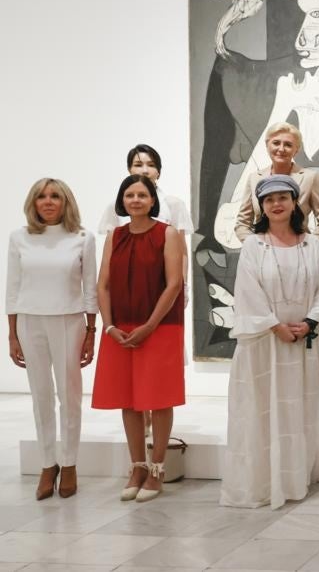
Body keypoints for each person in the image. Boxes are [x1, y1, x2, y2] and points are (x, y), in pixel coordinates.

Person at [221, 175, 319, 509]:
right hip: (264, 343)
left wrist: (309, 323)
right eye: (269, 200)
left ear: (295, 202)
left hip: (302, 341)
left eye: (283, 197)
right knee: (261, 410)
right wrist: (275, 326)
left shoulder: (311, 244)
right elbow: (247, 291)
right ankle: (262, 481)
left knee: (297, 409)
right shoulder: (254, 245)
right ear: (262, 207)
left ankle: (293, 478)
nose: (276, 204)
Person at [93, 175, 185, 502]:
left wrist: (149, 326)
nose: (135, 200)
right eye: (129, 195)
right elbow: (103, 284)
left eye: (142, 195)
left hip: (160, 327)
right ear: (122, 200)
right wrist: (108, 326)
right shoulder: (114, 236)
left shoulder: (168, 233)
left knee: (158, 399)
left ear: (152, 200)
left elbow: (174, 284)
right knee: (128, 400)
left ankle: (157, 468)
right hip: (120, 328)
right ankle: (137, 467)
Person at [7, 179, 97, 499]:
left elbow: (90, 288)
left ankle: (69, 463)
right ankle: (48, 464)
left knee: (69, 396)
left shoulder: (82, 238)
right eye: (41, 196)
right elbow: (13, 288)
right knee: (40, 394)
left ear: (65, 202)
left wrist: (91, 331)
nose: (48, 201)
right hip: (30, 322)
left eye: (55, 196)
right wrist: (12, 334)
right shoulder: (19, 238)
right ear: (33, 202)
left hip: (69, 321)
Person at [235, 122, 319, 244]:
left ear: (296, 150)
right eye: (276, 143)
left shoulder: (310, 178)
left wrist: (306, 245)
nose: (281, 149)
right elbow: (242, 223)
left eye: (288, 145)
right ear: (267, 145)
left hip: (300, 253)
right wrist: (255, 245)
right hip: (262, 253)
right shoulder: (254, 178)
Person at [96, 144, 194, 237]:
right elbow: (112, 245)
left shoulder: (174, 204)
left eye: (151, 165)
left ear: (158, 172)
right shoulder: (115, 206)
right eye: (138, 165)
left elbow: (180, 247)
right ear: (129, 170)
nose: (145, 171)